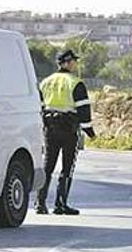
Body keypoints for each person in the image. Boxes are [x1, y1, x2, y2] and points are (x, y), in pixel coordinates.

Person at [37, 49, 95, 215]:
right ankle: (61, 204)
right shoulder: (75, 83)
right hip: (69, 129)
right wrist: (89, 131)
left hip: (50, 128)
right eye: (74, 61)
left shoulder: (45, 82)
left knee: (48, 166)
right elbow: (83, 110)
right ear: (68, 62)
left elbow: (39, 106)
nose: (75, 64)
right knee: (67, 167)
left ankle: (40, 203)